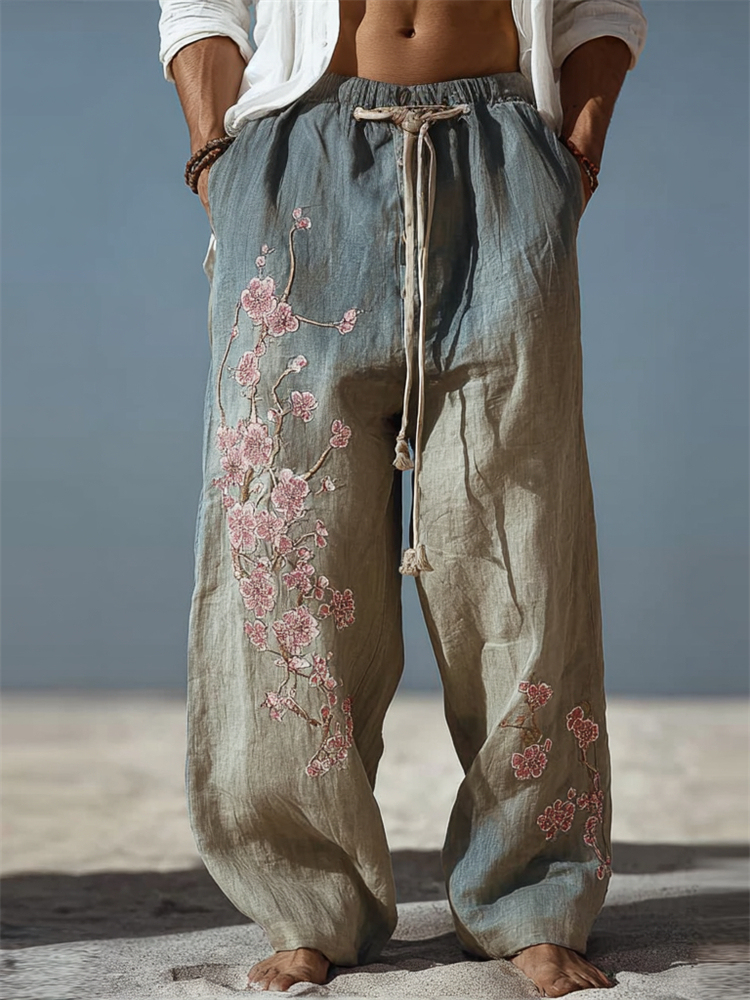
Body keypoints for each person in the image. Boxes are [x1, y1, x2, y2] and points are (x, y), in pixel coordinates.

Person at [158, 1, 647, 995]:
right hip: (299, 163)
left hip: (501, 164)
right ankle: (306, 901)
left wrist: (578, 155)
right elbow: (202, 6)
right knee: (288, 553)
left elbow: (600, 9)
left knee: (523, 551)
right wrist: (215, 155)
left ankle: (532, 896)